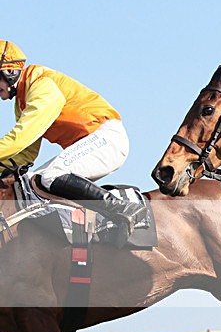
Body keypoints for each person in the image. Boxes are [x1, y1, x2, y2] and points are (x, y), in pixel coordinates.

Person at [0, 40, 146, 231]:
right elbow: (25, 154)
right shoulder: (22, 102)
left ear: (10, 72)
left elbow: (21, 137)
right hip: (91, 143)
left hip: (106, 138)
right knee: (30, 183)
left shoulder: (41, 85)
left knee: (51, 176)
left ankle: (124, 208)